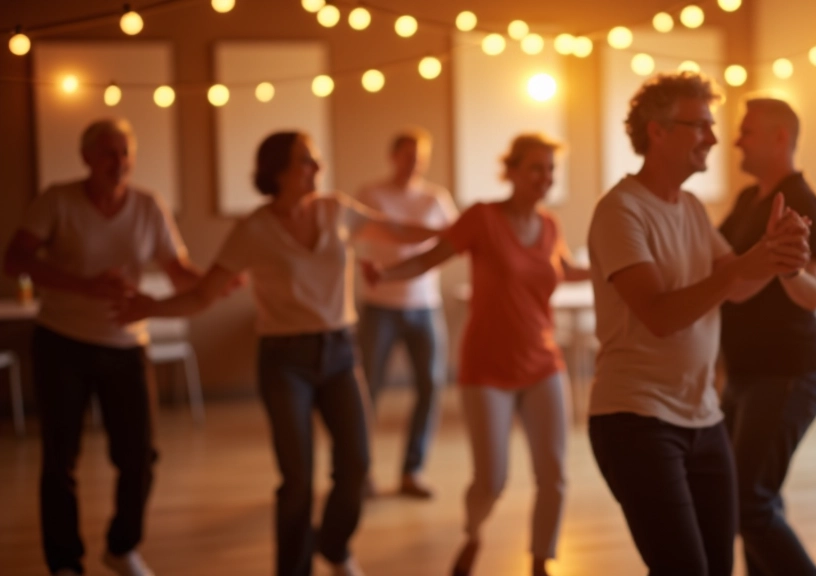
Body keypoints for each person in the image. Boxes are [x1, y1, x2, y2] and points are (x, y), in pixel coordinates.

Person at [118, 131, 441, 576]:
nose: (316, 169)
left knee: (356, 465)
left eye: (316, 160)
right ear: (277, 173)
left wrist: (460, 233)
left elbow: (401, 230)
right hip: (284, 360)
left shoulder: (336, 209)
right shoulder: (253, 229)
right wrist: (151, 307)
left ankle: (334, 545)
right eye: (305, 162)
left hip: (340, 352)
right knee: (297, 482)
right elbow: (204, 293)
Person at [585, 72, 812, 576]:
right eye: (700, 125)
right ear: (656, 131)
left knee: (716, 568)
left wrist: (774, 257)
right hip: (635, 420)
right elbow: (660, 316)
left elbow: (739, 286)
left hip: (703, 419)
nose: (713, 137)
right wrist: (742, 267)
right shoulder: (620, 212)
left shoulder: (690, 207)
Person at [361, 133, 589, 576]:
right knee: (492, 480)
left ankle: (542, 561)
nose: (545, 178)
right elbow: (430, 258)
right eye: (536, 168)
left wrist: (615, 266)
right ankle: (473, 533)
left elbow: (564, 270)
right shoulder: (482, 218)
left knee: (555, 475)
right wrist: (385, 273)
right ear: (512, 171)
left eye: (551, 170)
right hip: (487, 368)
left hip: (543, 363)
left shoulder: (550, 225)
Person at [3, 118, 203, 576]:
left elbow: (178, 270)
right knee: (60, 461)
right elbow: (14, 260)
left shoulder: (149, 205)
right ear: (87, 158)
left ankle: (122, 546)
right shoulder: (57, 200)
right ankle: (65, 564)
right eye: (110, 153)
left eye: (126, 153)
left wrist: (221, 278)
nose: (120, 163)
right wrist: (83, 285)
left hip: (126, 346)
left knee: (141, 458)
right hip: (62, 344)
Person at [717, 98, 816, 576]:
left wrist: (785, 268)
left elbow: (814, 292)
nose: (736, 139)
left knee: (749, 502)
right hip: (746, 375)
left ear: (779, 137)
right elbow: (720, 261)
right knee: (742, 495)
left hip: (789, 373)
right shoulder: (748, 200)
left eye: (747, 131)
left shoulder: (802, 202)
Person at [354, 129, 458, 499]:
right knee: (368, 390)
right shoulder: (372, 195)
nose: (414, 160)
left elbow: (453, 241)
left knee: (430, 387)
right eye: (408, 153)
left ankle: (412, 471)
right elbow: (369, 239)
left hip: (425, 306)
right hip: (380, 305)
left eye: (421, 154)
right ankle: (360, 471)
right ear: (393, 156)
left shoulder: (436, 198)